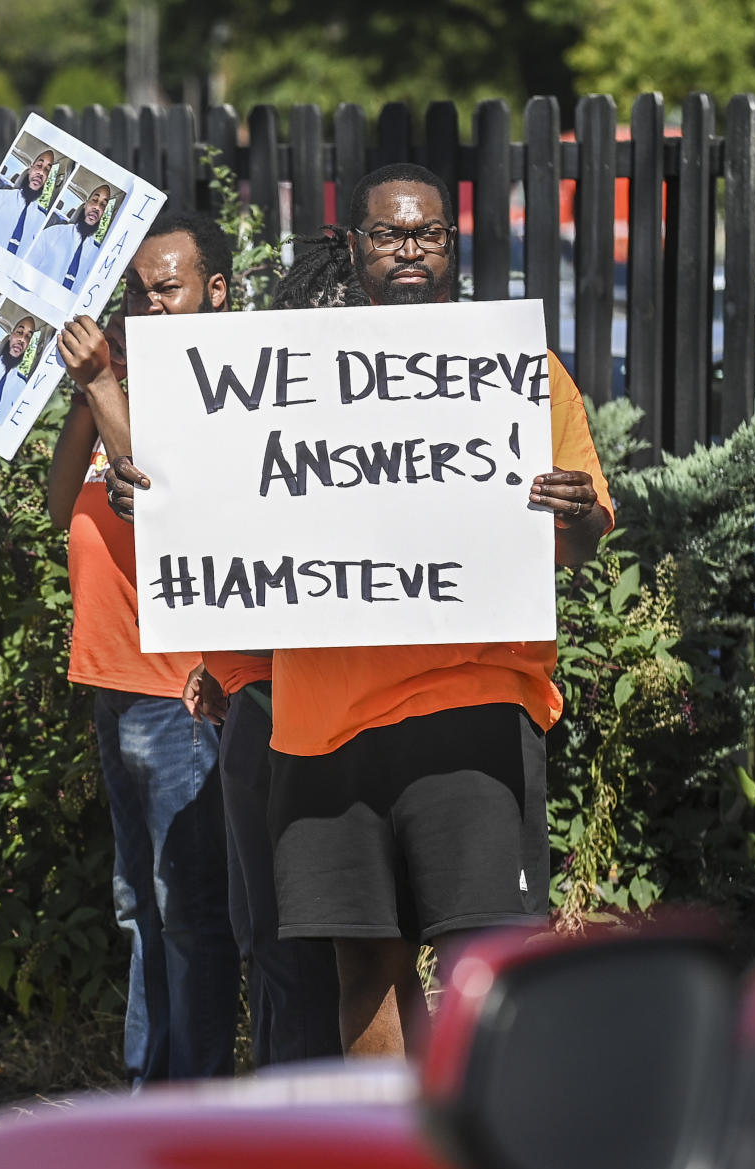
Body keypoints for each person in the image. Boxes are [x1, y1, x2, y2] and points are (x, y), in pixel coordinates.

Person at [260, 164, 615, 1060]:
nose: (408, 249)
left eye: (427, 234)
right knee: (363, 970)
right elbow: (227, 520)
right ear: (353, 245)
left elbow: (583, 537)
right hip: (323, 722)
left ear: (452, 246)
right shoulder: (286, 374)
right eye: (388, 234)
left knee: (483, 967)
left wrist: (576, 516)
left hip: (472, 706)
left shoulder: (519, 371)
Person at [50, 211, 240, 1084]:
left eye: (170, 288)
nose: (151, 304)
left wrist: (101, 389)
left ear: (217, 293)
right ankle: (149, 1093)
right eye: (140, 290)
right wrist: (83, 396)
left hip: (180, 690)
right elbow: (64, 508)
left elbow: (169, 502)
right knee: (139, 908)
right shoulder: (116, 384)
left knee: (188, 910)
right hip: (112, 678)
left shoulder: (222, 387)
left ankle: (188, 1104)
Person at [181, 657, 342, 1067]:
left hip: (292, 696)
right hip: (250, 696)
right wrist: (217, 661)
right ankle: (282, 1106)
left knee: (295, 944)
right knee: (260, 937)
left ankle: (309, 1118)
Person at [0, 148, 54, 256]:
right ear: (30, 169)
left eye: (47, 170)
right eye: (39, 165)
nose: (41, 172)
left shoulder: (41, 220)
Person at [29, 184, 111, 292]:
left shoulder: (97, 255)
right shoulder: (53, 233)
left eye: (103, 205)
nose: (97, 207)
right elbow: (28, 268)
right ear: (85, 204)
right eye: (95, 200)